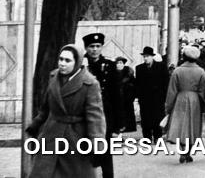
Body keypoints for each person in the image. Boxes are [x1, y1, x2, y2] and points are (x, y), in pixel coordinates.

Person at [26, 43, 106, 178]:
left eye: (67, 60)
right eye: (61, 59)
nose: (62, 63)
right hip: (50, 134)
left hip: (75, 139)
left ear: (77, 62)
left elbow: (95, 117)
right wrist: (36, 124)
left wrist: (97, 145)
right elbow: (46, 107)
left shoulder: (90, 83)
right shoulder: (53, 77)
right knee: (42, 172)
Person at [83, 32, 120, 177]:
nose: (94, 49)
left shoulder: (110, 66)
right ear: (86, 48)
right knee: (85, 152)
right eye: (91, 46)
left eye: (98, 46)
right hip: (85, 114)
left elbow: (116, 94)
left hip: (105, 116)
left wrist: (118, 123)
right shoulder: (81, 66)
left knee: (105, 152)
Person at [165, 45, 205, 163]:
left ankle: (182, 150)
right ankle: (188, 152)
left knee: (180, 125)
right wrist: (203, 104)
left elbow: (172, 90)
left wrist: (168, 106)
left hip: (180, 98)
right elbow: (203, 90)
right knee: (193, 125)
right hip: (195, 100)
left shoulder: (177, 70)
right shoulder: (200, 71)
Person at [135, 46, 169, 143]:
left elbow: (166, 82)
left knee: (158, 117)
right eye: (144, 56)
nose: (146, 58)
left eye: (148, 56)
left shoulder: (161, 66)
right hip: (145, 98)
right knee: (145, 119)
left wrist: (164, 96)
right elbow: (138, 84)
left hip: (158, 98)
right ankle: (147, 137)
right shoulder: (139, 68)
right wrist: (138, 97)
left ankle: (158, 136)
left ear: (152, 57)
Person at [115, 57, 137, 133]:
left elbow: (134, 85)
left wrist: (131, 95)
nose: (119, 65)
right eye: (117, 63)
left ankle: (128, 128)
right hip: (117, 98)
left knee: (127, 114)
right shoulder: (113, 73)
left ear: (124, 64)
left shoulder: (129, 73)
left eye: (121, 63)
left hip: (127, 98)